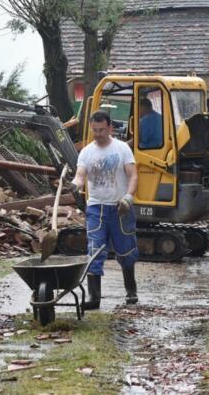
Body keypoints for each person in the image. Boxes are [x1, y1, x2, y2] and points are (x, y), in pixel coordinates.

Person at [71, 111, 139, 308]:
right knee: (94, 249)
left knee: (126, 251)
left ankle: (131, 290)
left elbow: (133, 175)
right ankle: (94, 298)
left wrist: (128, 196)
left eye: (101, 130)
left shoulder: (122, 149)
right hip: (96, 208)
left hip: (120, 208)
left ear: (110, 128)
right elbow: (80, 175)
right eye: (94, 130)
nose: (98, 134)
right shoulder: (86, 152)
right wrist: (75, 184)